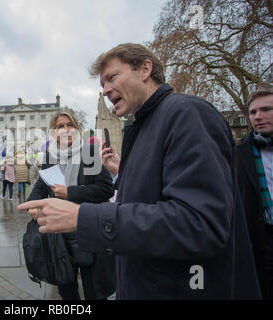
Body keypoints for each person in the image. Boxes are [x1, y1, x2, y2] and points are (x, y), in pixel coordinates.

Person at [18, 43, 261, 299]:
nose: (106, 90)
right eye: (102, 85)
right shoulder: (142, 126)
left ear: (145, 69)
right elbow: (149, 197)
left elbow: (198, 224)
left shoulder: (187, 113)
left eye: (112, 77)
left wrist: (82, 216)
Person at [27, 109, 115, 300]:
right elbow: (41, 187)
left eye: (70, 125)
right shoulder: (50, 157)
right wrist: (32, 205)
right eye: (60, 126)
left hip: (88, 231)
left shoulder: (89, 153)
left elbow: (106, 188)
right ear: (54, 132)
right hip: (59, 239)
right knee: (67, 292)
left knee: (94, 292)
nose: (66, 129)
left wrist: (70, 192)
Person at [237, 86, 273, 299]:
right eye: (253, 112)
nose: (258, 116)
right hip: (260, 239)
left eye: (266, 110)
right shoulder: (238, 153)